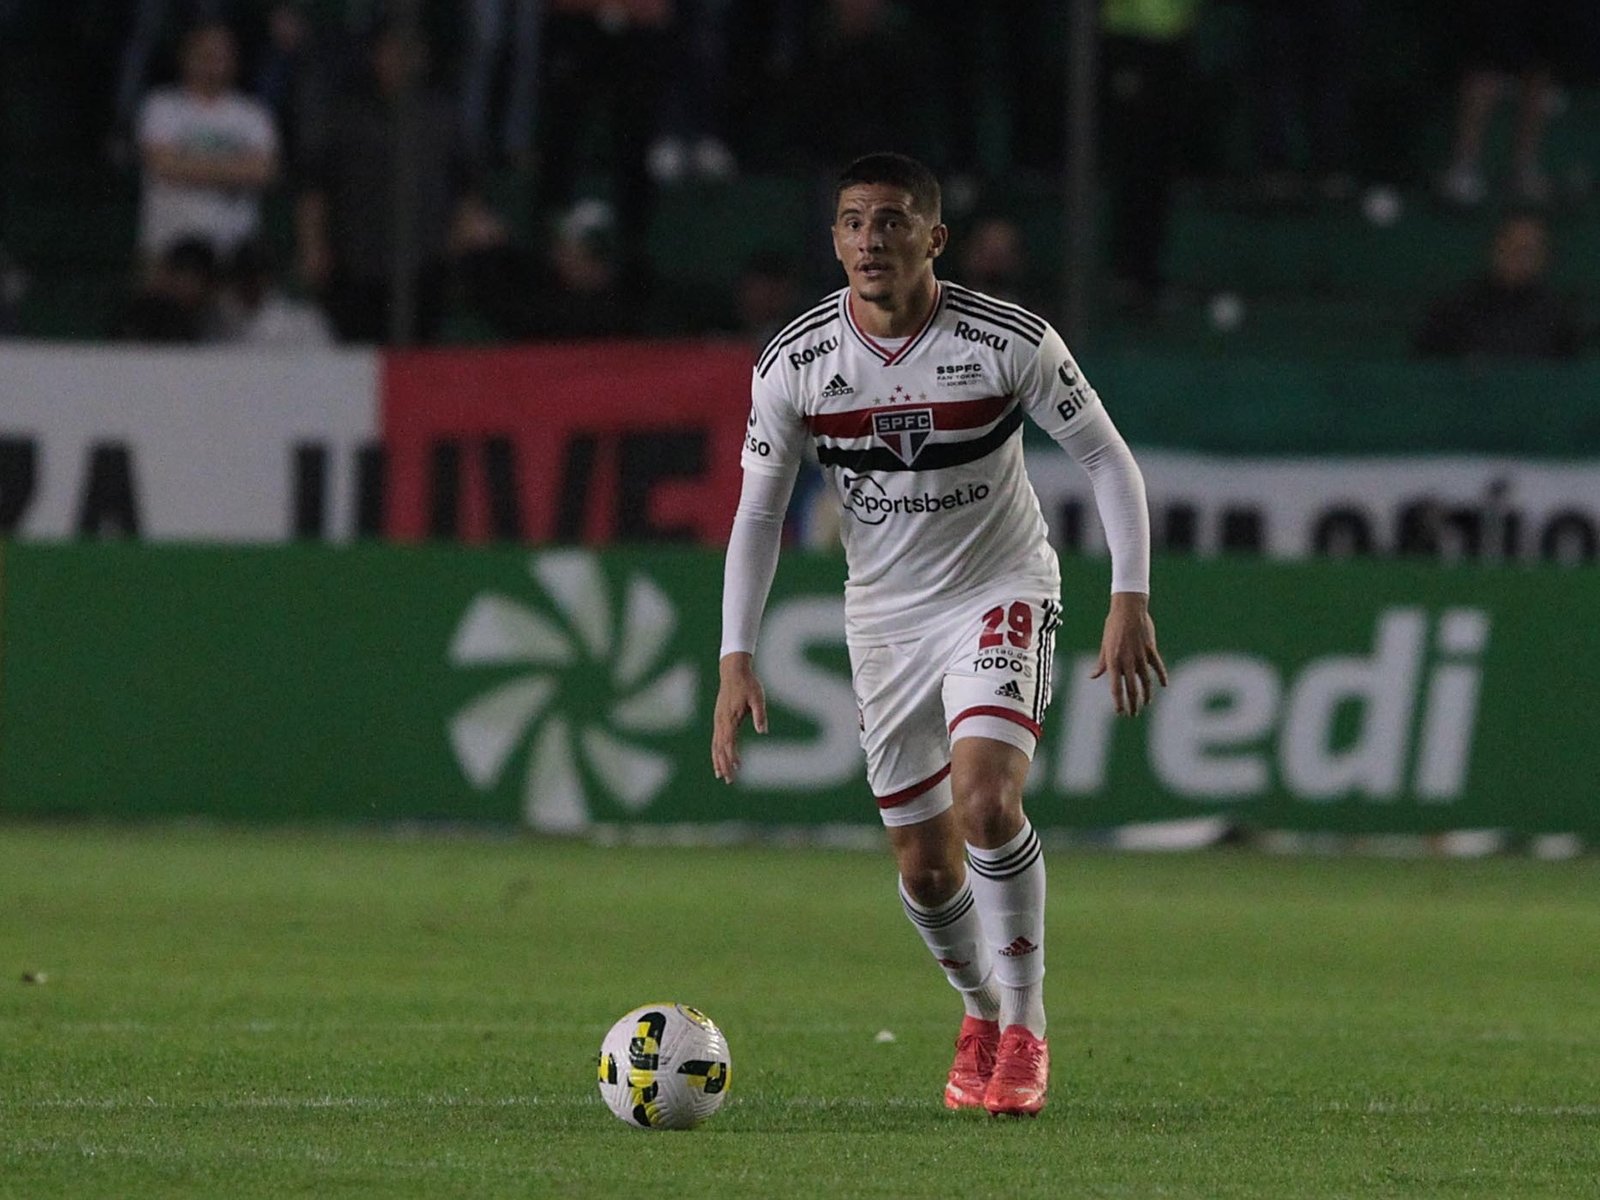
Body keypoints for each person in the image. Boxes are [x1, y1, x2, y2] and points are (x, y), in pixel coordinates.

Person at [711, 153, 1165, 1117]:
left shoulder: (1008, 341)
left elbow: (1107, 461)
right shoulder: (795, 362)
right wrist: (734, 657)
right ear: (833, 240)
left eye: (890, 220)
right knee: (922, 867)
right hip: (884, 616)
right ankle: (982, 1008)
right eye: (851, 222)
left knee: (988, 804)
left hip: (1000, 587)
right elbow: (757, 515)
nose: (870, 239)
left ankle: (1029, 1028)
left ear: (935, 237)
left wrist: (1130, 595)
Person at [136, 21, 280, 262]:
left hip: (234, 248)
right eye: (206, 54)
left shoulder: (252, 113)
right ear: (186, 57)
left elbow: (265, 170)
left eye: (222, 55)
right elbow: (162, 165)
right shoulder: (161, 105)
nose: (214, 63)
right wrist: (235, 168)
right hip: (169, 244)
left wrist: (189, 164)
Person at [1413, 211, 1584, 359]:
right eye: (1513, 248)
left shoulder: (1557, 314)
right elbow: (1427, 369)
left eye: (1529, 251)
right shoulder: (1456, 307)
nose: (1520, 259)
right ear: (1496, 248)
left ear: (1543, 257)